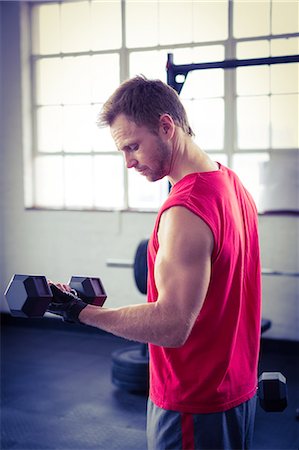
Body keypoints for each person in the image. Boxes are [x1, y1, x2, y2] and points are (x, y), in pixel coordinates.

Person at [49, 76, 262, 450]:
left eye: (133, 147)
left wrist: (81, 313)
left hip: (193, 403)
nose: (129, 162)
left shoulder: (185, 210)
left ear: (166, 126)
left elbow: (171, 324)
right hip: (238, 391)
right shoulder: (232, 185)